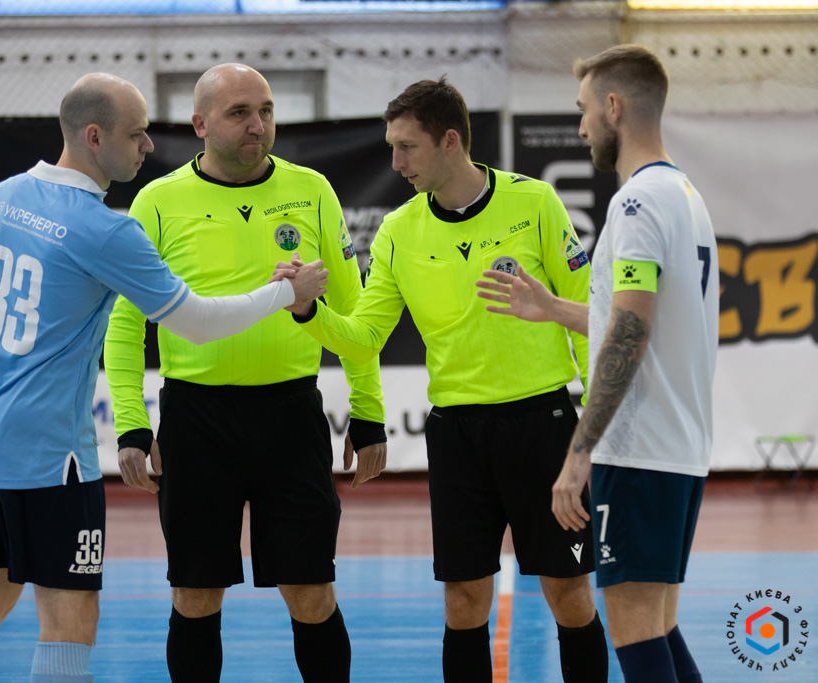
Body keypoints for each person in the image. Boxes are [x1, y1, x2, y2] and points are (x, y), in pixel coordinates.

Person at [0, 72, 327, 683]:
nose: (147, 146)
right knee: (71, 614)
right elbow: (195, 322)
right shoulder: (105, 230)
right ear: (94, 137)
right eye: (136, 134)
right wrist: (284, 295)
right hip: (52, 451)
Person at [286, 77, 608, 682]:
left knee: (569, 595)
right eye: (391, 147)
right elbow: (364, 337)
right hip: (458, 435)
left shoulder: (535, 202)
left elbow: (591, 317)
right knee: (463, 603)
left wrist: (591, 430)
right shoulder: (398, 229)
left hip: (542, 427)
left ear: (451, 141)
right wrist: (308, 311)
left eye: (407, 147)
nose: (395, 162)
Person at [102, 63, 386, 683]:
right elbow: (124, 327)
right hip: (195, 422)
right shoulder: (158, 200)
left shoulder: (312, 190)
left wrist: (368, 413)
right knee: (195, 594)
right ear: (200, 124)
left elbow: (357, 314)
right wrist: (130, 423)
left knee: (310, 591)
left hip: (291, 417)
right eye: (239, 113)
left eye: (265, 111)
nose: (257, 125)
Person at [477, 44, 718, 683]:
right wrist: (555, 309)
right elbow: (640, 318)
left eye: (584, 109)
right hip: (679, 448)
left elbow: (630, 334)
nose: (581, 126)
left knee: (635, 628)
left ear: (614, 106)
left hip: (638, 453)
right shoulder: (685, 195)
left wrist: (579, 453)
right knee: (657, 625)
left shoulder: (636, 204)